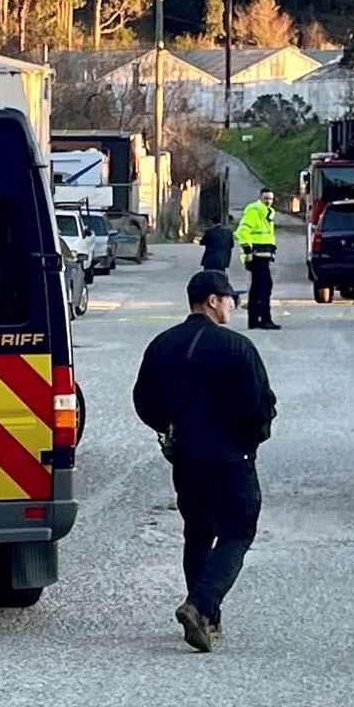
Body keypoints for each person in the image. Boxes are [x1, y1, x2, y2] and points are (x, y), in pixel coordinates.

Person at [130, 268, 276, 651]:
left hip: (187, 459)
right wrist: (252, 438)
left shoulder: (162, 344)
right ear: (213, 300)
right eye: (230, 298)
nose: (233, 305)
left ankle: (205, 617)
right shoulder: (236, 348)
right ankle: (200, 605)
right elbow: (261, 407)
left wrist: (169, 429)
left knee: (197, 531)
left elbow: (143, 401)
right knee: (238, 531)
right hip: (232, 459)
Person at [233, 192, 281, 329]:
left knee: (257, 288)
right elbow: (241, 231)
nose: (268, 201)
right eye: (265, 198)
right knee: (264, 287)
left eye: (271, 199)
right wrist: (248, 251)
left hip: (264, 255)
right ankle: (265, 319)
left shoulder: (267, 213)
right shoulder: (255, 211)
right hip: (256, 256)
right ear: (260, 198)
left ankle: (254, 320)